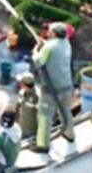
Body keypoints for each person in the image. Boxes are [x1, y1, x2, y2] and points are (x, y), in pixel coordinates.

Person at [33, 22, 76, 153]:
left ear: (54, 33)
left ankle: (42, 144)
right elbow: (52, 49)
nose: (48, 33)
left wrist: (36, 50)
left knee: (45, 114)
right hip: (66, 85)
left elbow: (38, 62)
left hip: (51, 87)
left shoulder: (49, 48)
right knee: (65, 111)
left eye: (50, 32)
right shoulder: (66, 44)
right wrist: (44, 44)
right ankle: (69, 134)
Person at [16, 72, 39, 138]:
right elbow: (18, 107)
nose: (20, 84)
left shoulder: (36, 97)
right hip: (22, 129)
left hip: (31, 133)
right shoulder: (22, 92)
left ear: (25, 84)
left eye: (21, 83)